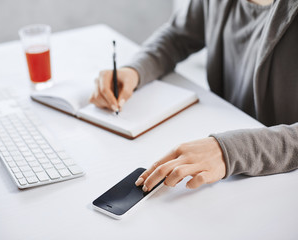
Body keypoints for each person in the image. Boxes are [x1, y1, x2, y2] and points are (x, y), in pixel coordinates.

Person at [90, 0, 298, 192]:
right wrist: (135, 70)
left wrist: (231, 151)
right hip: (221, 156)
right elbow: (177, 35)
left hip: (278, 182)